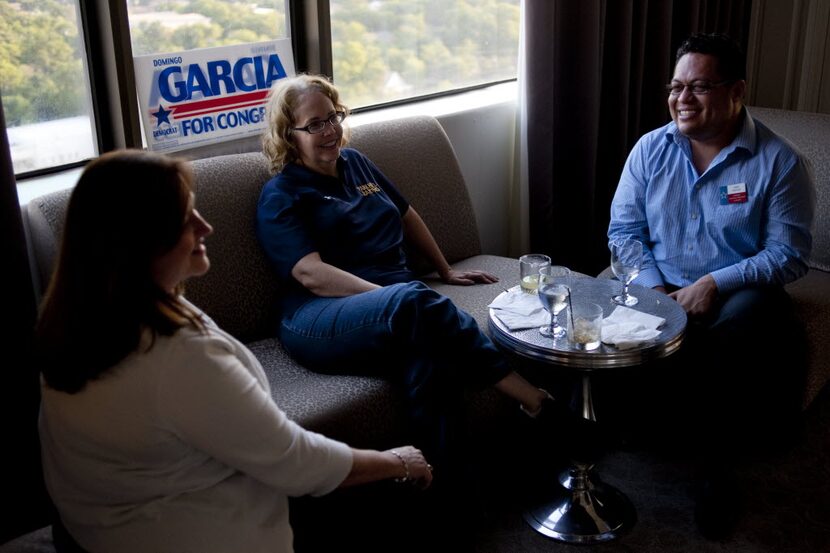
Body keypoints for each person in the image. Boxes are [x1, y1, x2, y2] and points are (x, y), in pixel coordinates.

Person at [35, 150, 433, 553]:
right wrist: (398, 461)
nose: (205, 227)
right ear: (141, 242)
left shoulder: (85, 320)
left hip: (100, 529)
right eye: (185, 219)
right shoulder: (176, 356)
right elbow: (296, 461)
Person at [255, 74, 570, 482]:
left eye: (333, 117)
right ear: (289, 134)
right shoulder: (280, 194)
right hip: (317, 317)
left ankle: (442, 484)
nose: (330, 130)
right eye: (314, 125)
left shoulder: (357, 164)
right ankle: (533, 398)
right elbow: (310, 274)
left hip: (394, 302)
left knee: (426, 357)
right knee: (411, 304)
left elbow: (406, 213)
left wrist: (445, 270)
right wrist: (391, 298)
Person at [608, 33, 815, 538]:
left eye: (700, 86)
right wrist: (654, 289)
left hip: (740, 290)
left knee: (738, 332)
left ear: (736, 90)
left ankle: (716, 471)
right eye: (677, 86)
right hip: (660, 283)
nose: (682, 99)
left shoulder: (780, 162)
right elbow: (623, 232)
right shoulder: (649, 150)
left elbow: (787, 255)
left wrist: (713, 283)